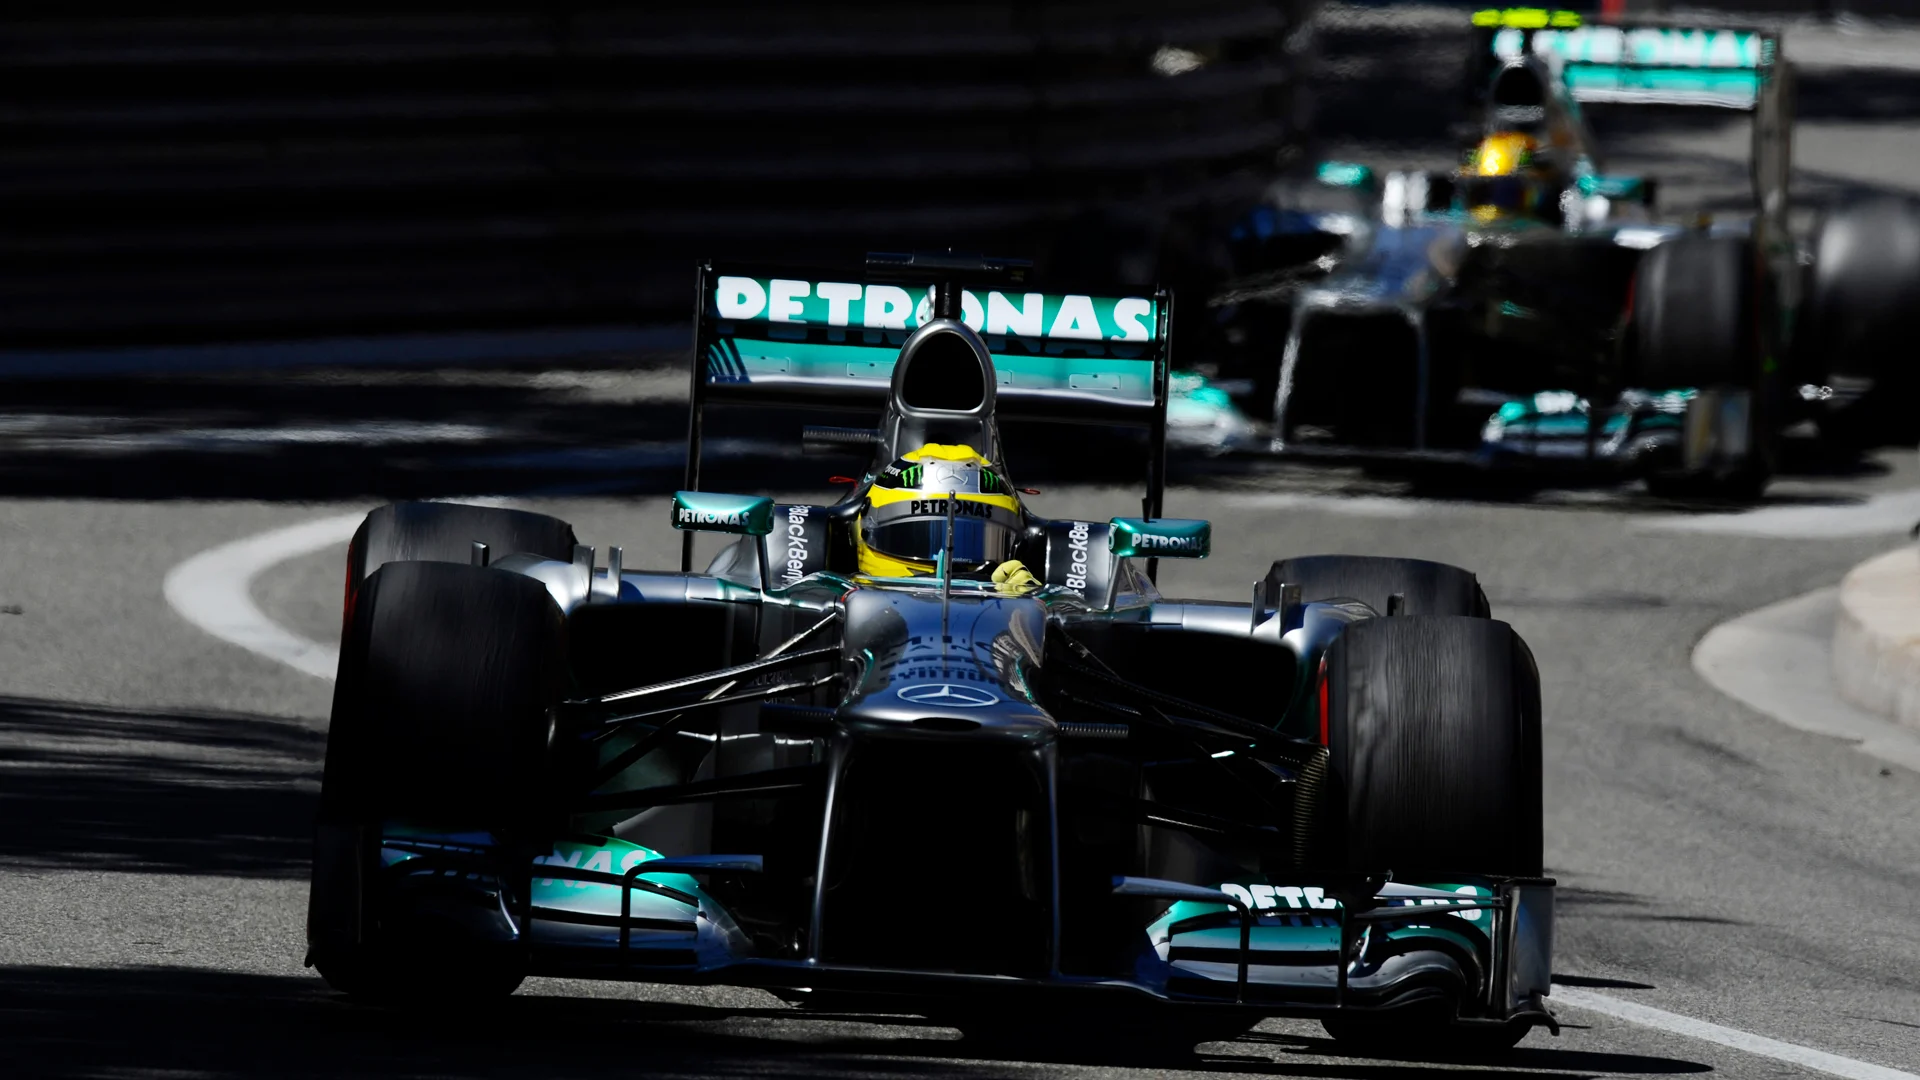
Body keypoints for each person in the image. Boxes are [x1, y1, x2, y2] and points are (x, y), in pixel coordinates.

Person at [855, 443, 1037, 592]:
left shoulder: (1022, 612)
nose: (949, 569)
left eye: (971, 541)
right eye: (919, 539)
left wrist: (1030, 605)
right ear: (867, 530)